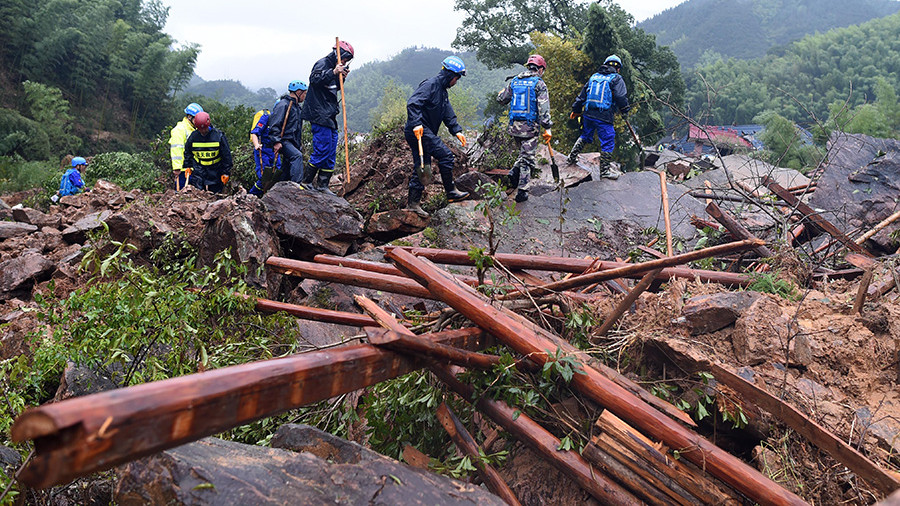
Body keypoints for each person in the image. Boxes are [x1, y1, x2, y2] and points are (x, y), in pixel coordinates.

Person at [403, 56, 470, 218]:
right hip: (418, 130)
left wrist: (457, 131)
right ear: (450, 75)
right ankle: (451, 191)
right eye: (456, 78)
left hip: (425, 131)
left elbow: (448, 113)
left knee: (423, 165)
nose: (456, 82)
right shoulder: (431, 85)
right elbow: (413, 103)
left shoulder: (442, 91)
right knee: (446, 156)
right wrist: (417, 124)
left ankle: (413, 203)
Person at [300, 41, 354, 195]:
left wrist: (342, 77)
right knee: (322, 148)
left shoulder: (337, 67)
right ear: (339, 54)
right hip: (318, 113)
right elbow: (315, 79)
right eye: (344, 58)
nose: (345, 62)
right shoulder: (322, 63)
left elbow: (334, 86)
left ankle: (323, 185)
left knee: (331, 150)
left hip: (330, 114)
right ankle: (306, 181)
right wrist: (333, 72)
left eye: (347, 60)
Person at [496, 54, 552, 203]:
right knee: (527, 159)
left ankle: (514, 171)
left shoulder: (515, 81)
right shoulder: (539, 84)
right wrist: (547, 128)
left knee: (524, 153)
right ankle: (522, 191)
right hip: (530, 127)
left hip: (514, 127)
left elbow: (502, 99)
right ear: (540, 69)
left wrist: (501, 92)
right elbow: (543, 108)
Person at [567, 54, 630, 179]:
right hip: (604, 116)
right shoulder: (616, 78)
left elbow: (582, 95)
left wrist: (576, 109)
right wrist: (625, 111)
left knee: (585, 135)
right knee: (608, 141)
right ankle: (605, 171)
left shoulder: (594, 77)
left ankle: (571, 157)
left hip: (589, 113)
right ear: (618, 68)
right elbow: (620, 97)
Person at [268, 80, 308, 186]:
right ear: (298, 92)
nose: (304, 96)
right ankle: (296, 186)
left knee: (286, 168)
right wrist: (276, 141)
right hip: (284, 140)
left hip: (293, 142)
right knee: (297, 156)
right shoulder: (283, 105)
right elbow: (274, 124)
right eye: (304, 93)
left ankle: (281, 188)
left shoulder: (297, 107)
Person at [183, 111, 233, 194]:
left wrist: (226, 172)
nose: (203, 131)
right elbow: (188, 152)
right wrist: (188, 166)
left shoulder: (218, 136)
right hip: (199, 168)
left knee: (215, 194)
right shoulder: (193, 136)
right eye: (200, 129)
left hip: (215, 169)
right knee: (197, 193)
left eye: (204, 128)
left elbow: (226, 155)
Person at [169, 102, 203, 190]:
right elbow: (176, 149)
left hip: (195, 169)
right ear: (189, 117)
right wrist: (177, 168)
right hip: (183, 171)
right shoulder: (180, 130)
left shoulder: (194, 130)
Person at [248, 105, 280, 196]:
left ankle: (268, 197)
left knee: (276, 173)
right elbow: (254, 133)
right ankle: (252, 196)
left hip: (274, 151)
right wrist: (256, 145)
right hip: (263, 150)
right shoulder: (267, 118)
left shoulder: (281, 120)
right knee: (264, 176)